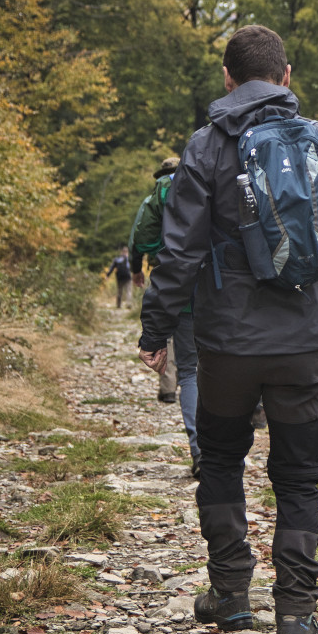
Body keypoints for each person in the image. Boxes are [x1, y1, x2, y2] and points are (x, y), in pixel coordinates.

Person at [137, 25, 318, 634]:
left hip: (225, 351)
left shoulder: (206, 147)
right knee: (299, 479)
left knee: (219, 460)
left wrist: (155, 331)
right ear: (287, 76)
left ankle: (232, 595)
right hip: (303, 343)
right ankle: (296, 619)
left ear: (228, 80)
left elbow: (178, 251)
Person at [128, 156, 201, 476]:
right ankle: (243, 431)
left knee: (189, 371)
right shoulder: (207, 184)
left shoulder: (154, 198)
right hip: (219, 288)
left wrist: (139, 266)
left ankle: (200, 451)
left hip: (177, 289)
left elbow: (140, 240)